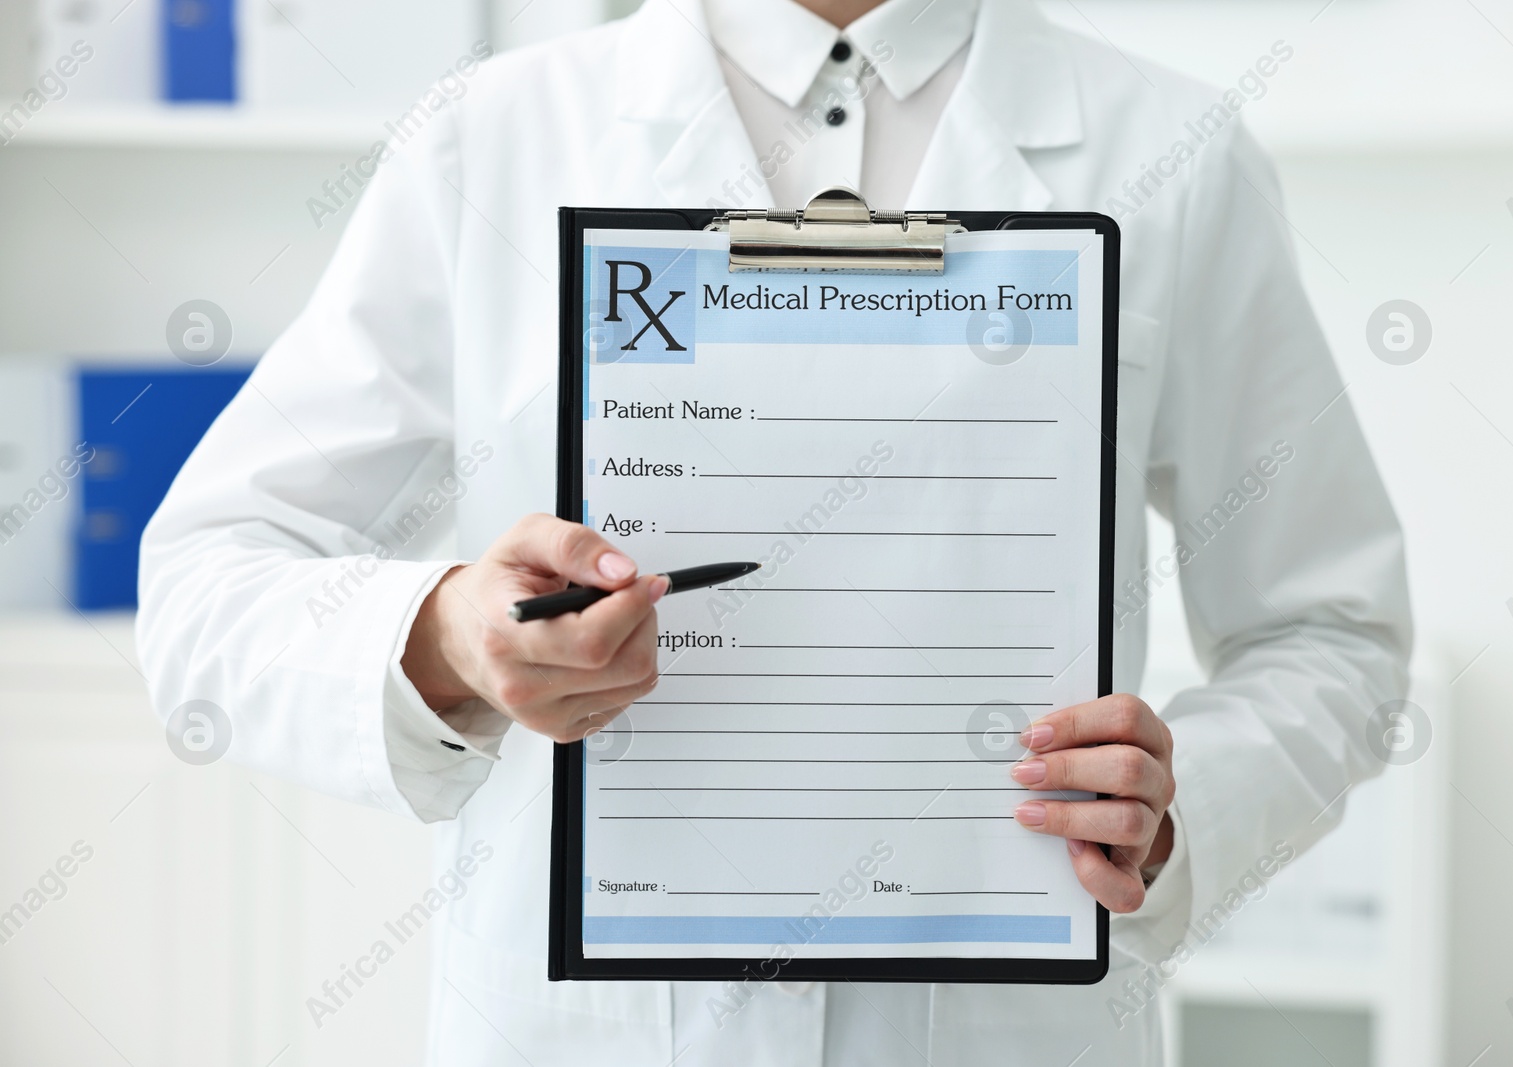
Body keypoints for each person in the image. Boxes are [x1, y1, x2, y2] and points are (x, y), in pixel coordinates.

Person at [136, 0, 1412, 1063]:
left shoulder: (1172, 149)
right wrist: (443, 638)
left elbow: (1330, 629)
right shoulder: (490, 142)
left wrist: (1181, 810)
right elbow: (204, 581)